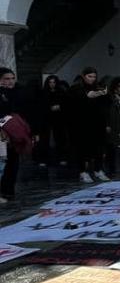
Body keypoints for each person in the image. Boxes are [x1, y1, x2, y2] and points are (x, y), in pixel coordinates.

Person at [0, 68, 37, 197]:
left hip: (15, 132)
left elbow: (27, 112)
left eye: (12, 78)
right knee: (4, 163)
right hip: (3, 132)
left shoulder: (19, 93)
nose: (10, 81)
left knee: (13, 162)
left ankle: (8, 191)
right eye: (6, 79)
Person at [70, 67, 109, 183]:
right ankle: (83, 172)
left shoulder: (98, 87)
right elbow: (81, 98)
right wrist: (95, 94)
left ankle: (98, 170)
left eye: (94, 77)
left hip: (97, 122)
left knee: (99, 148)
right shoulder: (76, 88)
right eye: (89, 76)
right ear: (84, 76)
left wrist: (103, 94)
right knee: (83, 148)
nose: (92, 79)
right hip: (82, 123)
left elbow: (106, 103)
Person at [36, 75, 68, 167]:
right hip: (46, 118)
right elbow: (40, 106)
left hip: (59, 118)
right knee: (44, 139)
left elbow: (67, 104)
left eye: (54, 82)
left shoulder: (61, 92)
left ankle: (62, 158)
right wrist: (50, 108)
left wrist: (60, 106)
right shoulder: (43, 93)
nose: (52, 84)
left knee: (60, 138)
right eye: (50, 82)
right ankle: (43, 159)